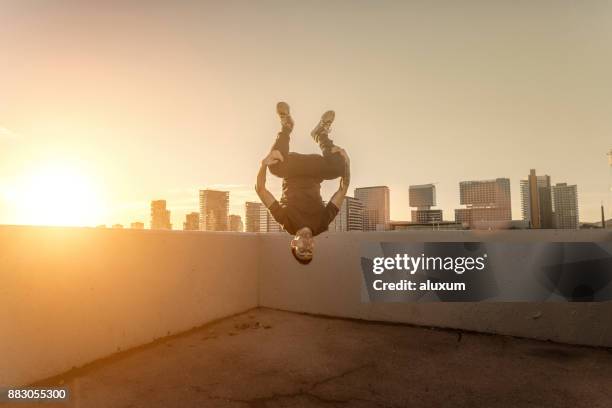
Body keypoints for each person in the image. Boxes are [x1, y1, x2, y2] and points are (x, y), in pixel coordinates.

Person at [255, 102, 350, 264]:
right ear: (314, 244)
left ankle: (287, 127)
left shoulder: (286, 221)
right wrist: (346, 163)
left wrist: (263, 164)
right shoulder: (322, 224)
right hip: (315, 171)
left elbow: (261, 190)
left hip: (292, 169)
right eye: (310, 250)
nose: (307, 246)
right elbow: (343, 189)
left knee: (274, 167)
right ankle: (321, 134)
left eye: (301, 249)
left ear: (293, 243)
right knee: (340, 167)